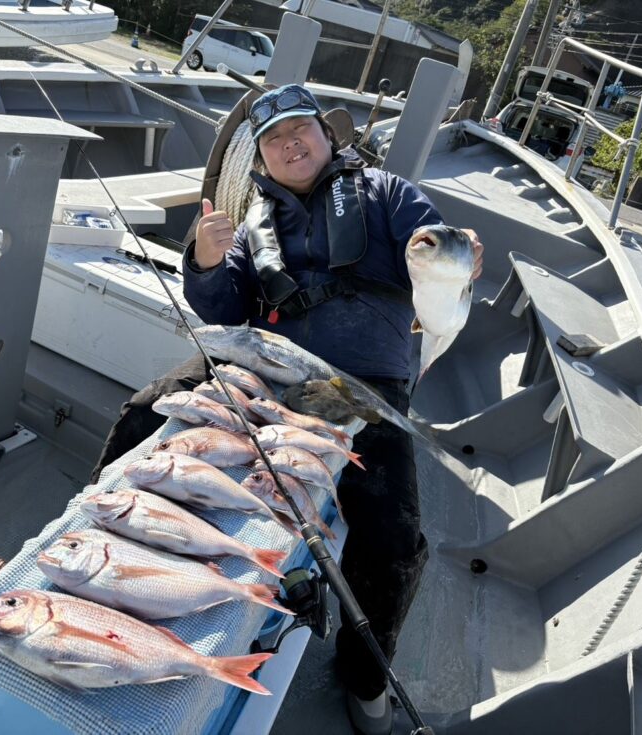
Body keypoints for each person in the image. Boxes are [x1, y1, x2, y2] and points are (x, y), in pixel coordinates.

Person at [90, 84, 482, 735]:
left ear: (329, 138)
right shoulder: (251, 226)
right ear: (263, 160)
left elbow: (435, 241)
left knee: (392, 535)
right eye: (274, 140)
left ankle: (363, 675)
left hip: (362, 387)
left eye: (301, 130)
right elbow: (221, 308)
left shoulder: (384, 194)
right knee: (140, 413)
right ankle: (104, 546)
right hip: (263, 368)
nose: (290, 144)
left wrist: (460, 251)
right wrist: (207, 261)